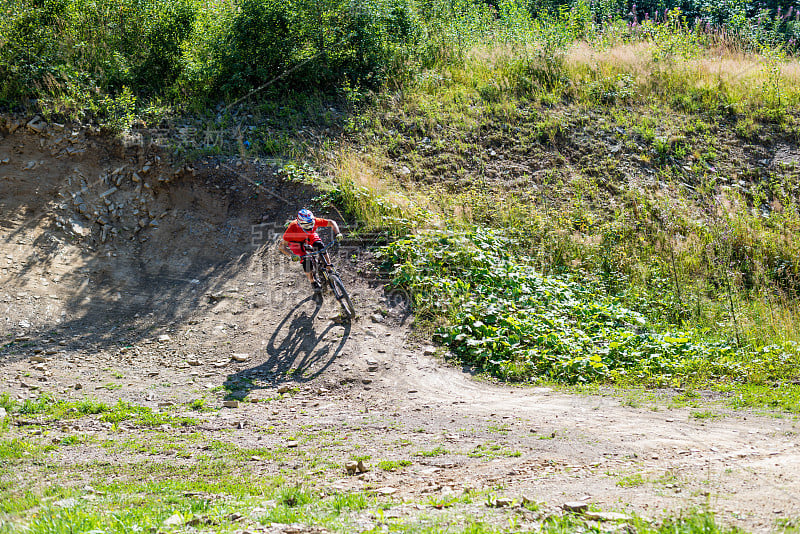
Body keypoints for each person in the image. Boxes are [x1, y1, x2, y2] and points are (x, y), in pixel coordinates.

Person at [279, 209, 343, 298]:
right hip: (295, 241)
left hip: (310, 235)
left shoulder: (315, 221)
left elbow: (332, 222)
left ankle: (329, 266)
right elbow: (282, 246)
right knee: (305, 261)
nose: (310, 226)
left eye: (311, 224)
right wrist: (292, 255)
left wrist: (338, 233)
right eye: (307, 225)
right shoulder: (292, 228)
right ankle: (312, 282)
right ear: (300, 223)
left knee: (320, 246)